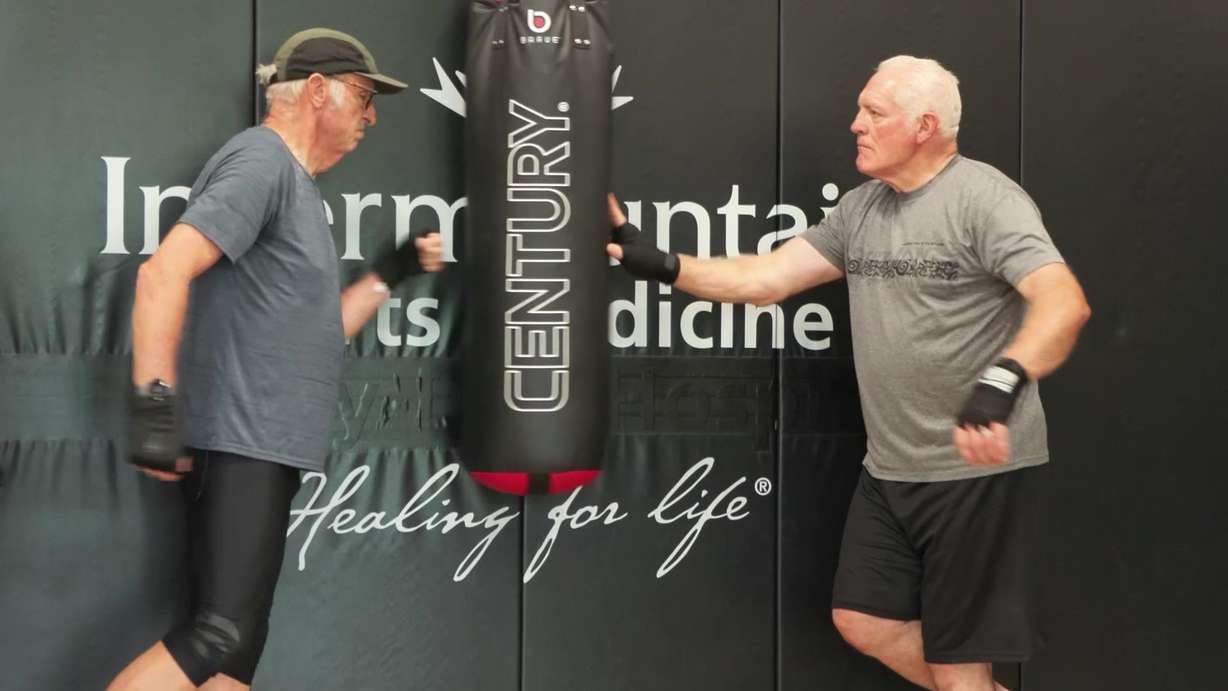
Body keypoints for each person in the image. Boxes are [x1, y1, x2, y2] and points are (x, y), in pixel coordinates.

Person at [607, 55, 1091, 691]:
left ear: (923, 126)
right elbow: (764, 278)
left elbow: (1064, 301)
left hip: (976, 472)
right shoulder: (862, 210)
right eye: (860, 109)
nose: (854, 123)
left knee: (958, 668)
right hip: (890, 470)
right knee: (864, 620)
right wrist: (665, 264)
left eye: (874, 113)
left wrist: (1004, 380)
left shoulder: (984, 200)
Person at [109, 28, 443, 691]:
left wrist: (390, 272)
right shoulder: (262, 161)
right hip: (242, 440)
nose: (372, 116)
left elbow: (320, 333)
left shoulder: (295, 189)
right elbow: (162, 273)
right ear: (316, 90)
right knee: (219, 634)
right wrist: (155, 402)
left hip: (265, 445)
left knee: (234, 657)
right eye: (363, 95)